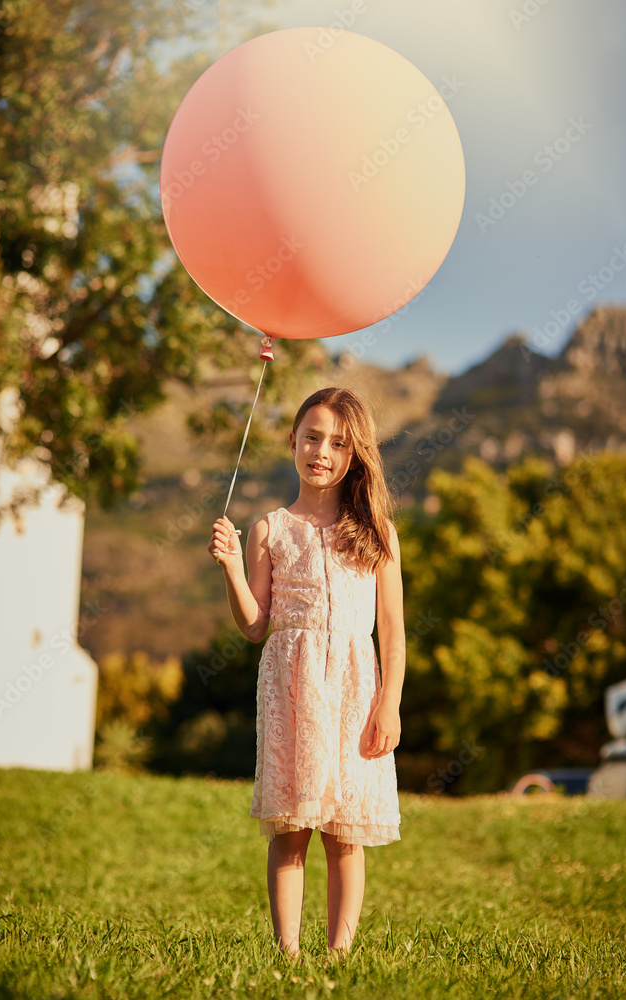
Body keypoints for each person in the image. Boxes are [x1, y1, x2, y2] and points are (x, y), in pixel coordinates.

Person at [208, 386, 405, 960]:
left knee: (345, 830)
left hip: (352, 689)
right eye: (312, 437)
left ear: (355, 454)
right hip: (291, 690)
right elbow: (253, 624)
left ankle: (339, 955)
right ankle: (287, 954)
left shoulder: (377, 532)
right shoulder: (271, 528)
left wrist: (388, 703)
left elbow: (391, 633)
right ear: (291, 440)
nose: (322, 451)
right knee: (290, 828)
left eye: (338, 443)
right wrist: (231, 568)